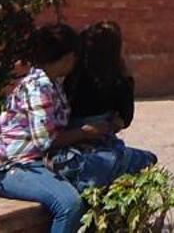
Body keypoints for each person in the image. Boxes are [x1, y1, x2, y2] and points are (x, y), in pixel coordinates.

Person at [0, 23, 102, 233]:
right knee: (69, 205)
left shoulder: (52, 83)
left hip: (38, 163)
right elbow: (45, 141)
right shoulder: (37, 87)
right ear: (68, 57)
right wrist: (85, 132)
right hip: (15, 167)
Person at [61, 20, 159, 187]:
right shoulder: (117, 80)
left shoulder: (72, 76)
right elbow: (124, 119)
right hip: (99, 145)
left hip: (71, 145)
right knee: (148, 159)